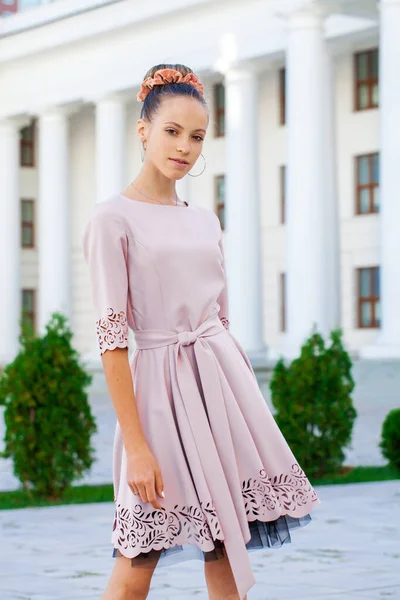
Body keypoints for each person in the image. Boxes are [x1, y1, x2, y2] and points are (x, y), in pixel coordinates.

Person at [82, 63, 321, 600]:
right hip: (159, 397)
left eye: (196, 137)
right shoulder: (110, 219)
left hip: (221, 389)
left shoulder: (205, 219)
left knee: (227, 549)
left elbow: (223, 321)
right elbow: (112, 340)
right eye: (171, 132)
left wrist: (241, 408)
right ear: (142, 130)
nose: (184, 148)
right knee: (137, 557)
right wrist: (137, 446)